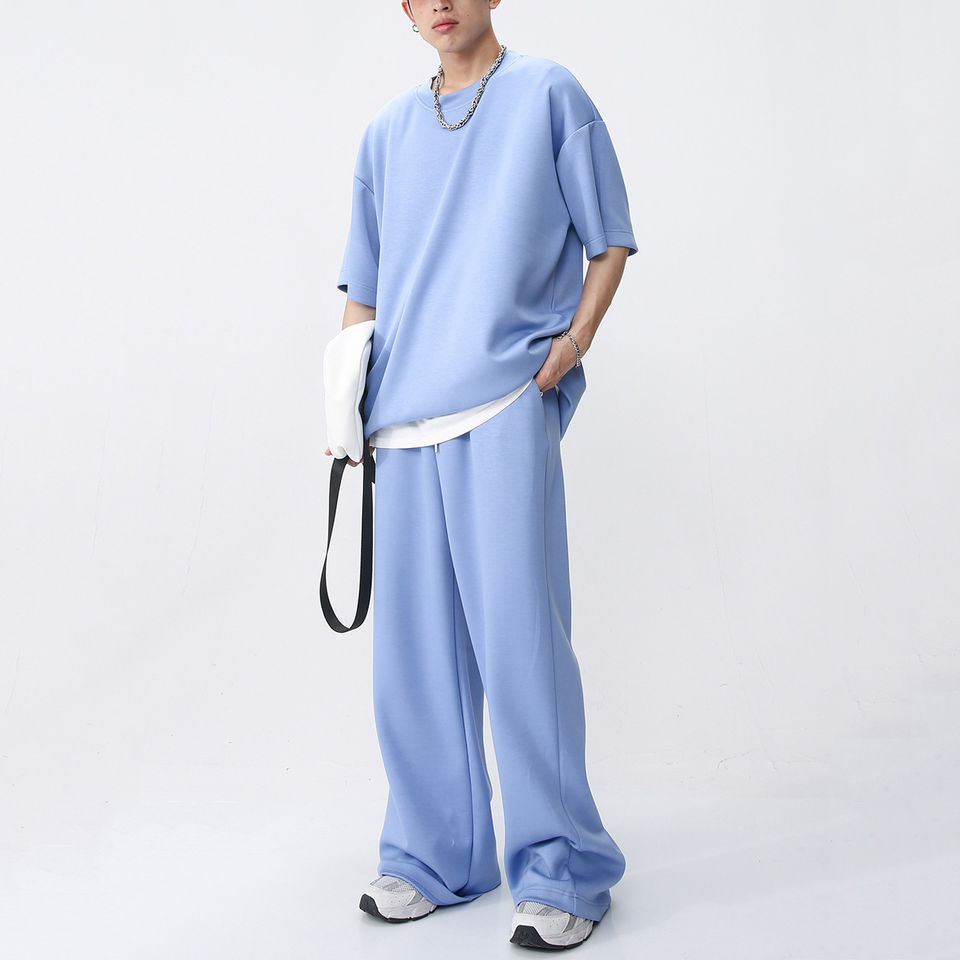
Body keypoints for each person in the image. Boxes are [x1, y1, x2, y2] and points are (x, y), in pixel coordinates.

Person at [324, 0, 637, 949]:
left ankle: (564, 869)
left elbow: (610, 238)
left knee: (521, 648)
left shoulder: (548, 96)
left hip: (503, 403)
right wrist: (345, 410)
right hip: (401, 422)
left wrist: (573, 343)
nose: (439, 2)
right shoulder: (385, 133)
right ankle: (435, 857)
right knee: (414, 662)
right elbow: (364, 290)